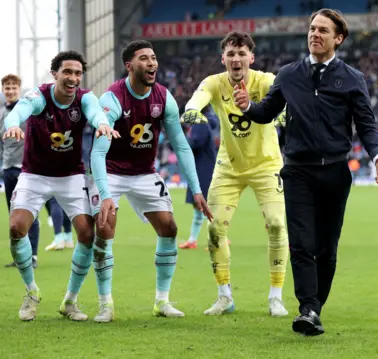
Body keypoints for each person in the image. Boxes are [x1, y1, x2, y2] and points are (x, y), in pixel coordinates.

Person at [232, 9, 378, 335]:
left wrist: (377, 156)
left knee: (326, 249)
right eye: (312, 28)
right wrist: (249, 107)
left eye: (323, 30)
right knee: (302, 244)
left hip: (335, 173)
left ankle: (314, 307)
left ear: (339, 38)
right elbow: (267, 112)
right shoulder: (289, 74)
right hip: (297, 173)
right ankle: (307, 308)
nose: (315, 34)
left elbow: (366, 125)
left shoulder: (352, 78)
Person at [87, 40, 212, 323]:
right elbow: (97, 152)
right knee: (105, 228)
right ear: (129, 66)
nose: (152, 63)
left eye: (154, 58)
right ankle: (105, 303)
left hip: (144, 172)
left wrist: (196, 190)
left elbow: (180, 145)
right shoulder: (112, 98)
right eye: (144, 58)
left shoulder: (164, 97)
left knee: (169, 228)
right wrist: (106, 194)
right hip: (111, 171)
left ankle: (162, 301)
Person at [180, 32, 290, 317]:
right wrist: (192, 110)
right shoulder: (215, 83)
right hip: (228, 168)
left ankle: (276, 296)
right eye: (231, 53)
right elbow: (198, 96)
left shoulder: (264, 80)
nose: (236, 58)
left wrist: (282, 113)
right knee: (215, 230)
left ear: (250, 58)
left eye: (241, 53)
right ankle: (224, 295)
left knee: (277, 225)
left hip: (267, 166)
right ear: (223, 58)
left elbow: (285, 97)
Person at [3, 50, 117, 321]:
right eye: (67, 72)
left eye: (78, 73)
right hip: (34, 174)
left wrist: (102, 123)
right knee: (16, 227)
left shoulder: (85, 97)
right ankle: (31, 292)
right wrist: (14, 125)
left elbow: (94, 112)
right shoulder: (39, 96)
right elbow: (18, 111)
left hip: (71, 176)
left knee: (87, 235)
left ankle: (70, 301)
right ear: (55, 74)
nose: (73, 78)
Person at [0, 74, 41, 269]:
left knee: (29, 213)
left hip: (27, 170)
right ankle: (19, 257)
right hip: (7, 170)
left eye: (13, 88)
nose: (10, 91)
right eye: (7, 88)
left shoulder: (26, 112)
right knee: (13, 215)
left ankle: (32, 256)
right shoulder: (1, 114)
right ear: (3, 90)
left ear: (19, 89)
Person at [178, 106, 218, 249]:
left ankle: (217, 238)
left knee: (207, 204)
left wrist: (182, 139)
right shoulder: (203, 123)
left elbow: (196, 143)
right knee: (200, 206)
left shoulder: (200, 124)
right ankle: (193, 240)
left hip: (203, 170)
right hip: (202, 168)